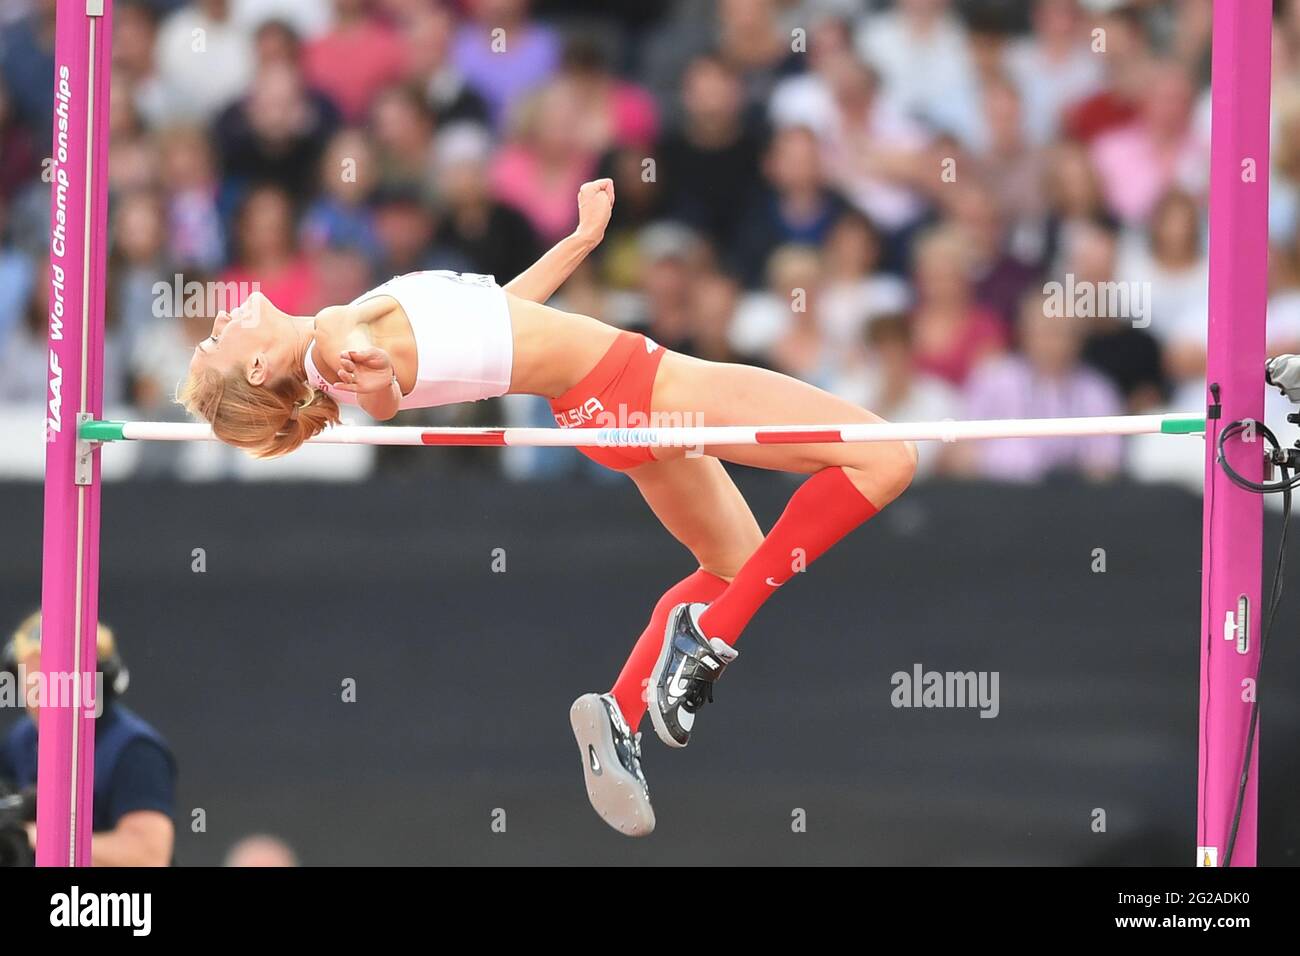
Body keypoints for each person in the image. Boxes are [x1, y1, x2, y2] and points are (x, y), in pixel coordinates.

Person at [178, 179, 917, 837]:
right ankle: (711, 640)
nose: (223, 318)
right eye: (218, 339)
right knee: (887, 456)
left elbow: (496, 316)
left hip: (600, 415)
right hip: (637, 386)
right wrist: (373, 379)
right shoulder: (338, 335)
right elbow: (375, 381)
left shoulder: (343, 342)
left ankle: (624, 714)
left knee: (732, 560)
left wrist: (580, 242)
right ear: (255, 368)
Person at [0, 613, 176, 866]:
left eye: (61, 676)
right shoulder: (20, 742)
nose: (47, 693)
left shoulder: (135, 750)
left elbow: (148, 855)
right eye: (34, 678)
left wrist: (39, 837)